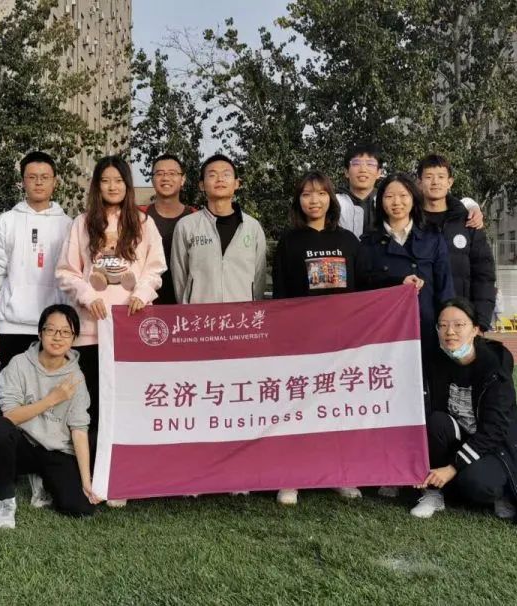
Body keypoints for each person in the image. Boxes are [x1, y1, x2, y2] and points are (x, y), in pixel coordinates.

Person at [56, 155, 166, 508]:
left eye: (119, 180)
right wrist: (88, 296)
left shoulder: (144, 223)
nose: (113, 186)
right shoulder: (82, 223)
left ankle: (122, 477)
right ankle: (91, 478)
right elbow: (67, 272)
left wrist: (141, 294)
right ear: (97, 185)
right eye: (106, 180)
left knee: (126, 407)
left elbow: (155, 269)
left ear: (128, 185)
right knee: (91, 409)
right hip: (91, 333)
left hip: (129, 333)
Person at [410, 298, 517, 526]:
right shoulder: (435, 361)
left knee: (479, 484)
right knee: (435, 421)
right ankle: (434, 493)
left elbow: (494, 430)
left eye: (458, 325)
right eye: (443, 325)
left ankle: (500, 492)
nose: (450, 332)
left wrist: (452, 468)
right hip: (457, 437)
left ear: (475, 329)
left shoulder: (495, 365)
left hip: (493, 446)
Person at [271, 171, 362, 505]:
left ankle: (340, 474)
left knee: (337, 409)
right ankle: (292, 477)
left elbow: (365, 291)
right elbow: (281, 295)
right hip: (302, 342)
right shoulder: (289, 242)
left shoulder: (349, 241)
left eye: (321, 193)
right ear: (299, 200)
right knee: (299, 410)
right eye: (307, 194)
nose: (314, 200)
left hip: (342, 344)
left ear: (331, 199)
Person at [0, 304, 101, 527]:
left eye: (65, 332)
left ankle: (43, 479)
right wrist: (52, 399)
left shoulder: (76, 378)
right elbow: (10, 415)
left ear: (73, 338)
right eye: (51, 330)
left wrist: (86, 481)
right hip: (23, 445)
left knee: (81, 508)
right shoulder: (19, 364)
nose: (57, 337)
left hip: (56, 450)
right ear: (40, 333)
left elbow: (79, 430)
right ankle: (6, 502)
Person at [0, 151, 73, 412]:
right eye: (32, 177)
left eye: (45, 177)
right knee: (10, 392)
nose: (38, 182)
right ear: (22, 181)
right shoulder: (5, 222)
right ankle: (7, 436)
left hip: (55, 326)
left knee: (52, 392)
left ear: (55, 182)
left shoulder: (69, 225)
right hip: (13, 325)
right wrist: (15, 296)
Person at [356, 172, 454, 358]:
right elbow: (363, 286)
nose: (397, 202)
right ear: (381, 201)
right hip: (384, 332)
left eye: (403, 195)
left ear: (413, 199)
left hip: (425, 329)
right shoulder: (368, 242)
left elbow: (445, 286)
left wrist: (447, 326)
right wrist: (398, 283)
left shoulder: (432, 237)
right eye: (389, 196)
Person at [171, 154, 267, 303]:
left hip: (242, 314)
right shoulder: (186, 226)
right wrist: (187, 309)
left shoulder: (252, 227)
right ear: (202, 185)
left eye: (226, 174)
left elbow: (259, 276)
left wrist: (252, 307)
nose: (220, 179)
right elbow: (179, 277)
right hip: (200, 314)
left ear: (237, 183)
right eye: (212, 175)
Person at [416, 154, 496, 331]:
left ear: (450, 182)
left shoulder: (469, 221)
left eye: (441, 177)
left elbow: (484, 274)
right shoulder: (409, 221)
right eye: (429, 177)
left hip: (460, 321)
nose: (435, 182)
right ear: (419, 182)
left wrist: (481, 321)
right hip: (419, 322)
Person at [139, 153, 198, 305]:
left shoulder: (196, 218)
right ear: (152, 179)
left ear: (182, 179)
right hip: (144, 303)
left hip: (187, 304)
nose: (166, 178)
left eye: (172, 173)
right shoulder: (138, 217)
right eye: (160, 173)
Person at [336, 144, 382, 237]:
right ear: (346, 172)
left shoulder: (385, 201)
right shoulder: (334, 201)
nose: (363, 169)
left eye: (370, 164)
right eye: (356, 163)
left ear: (379, 173)